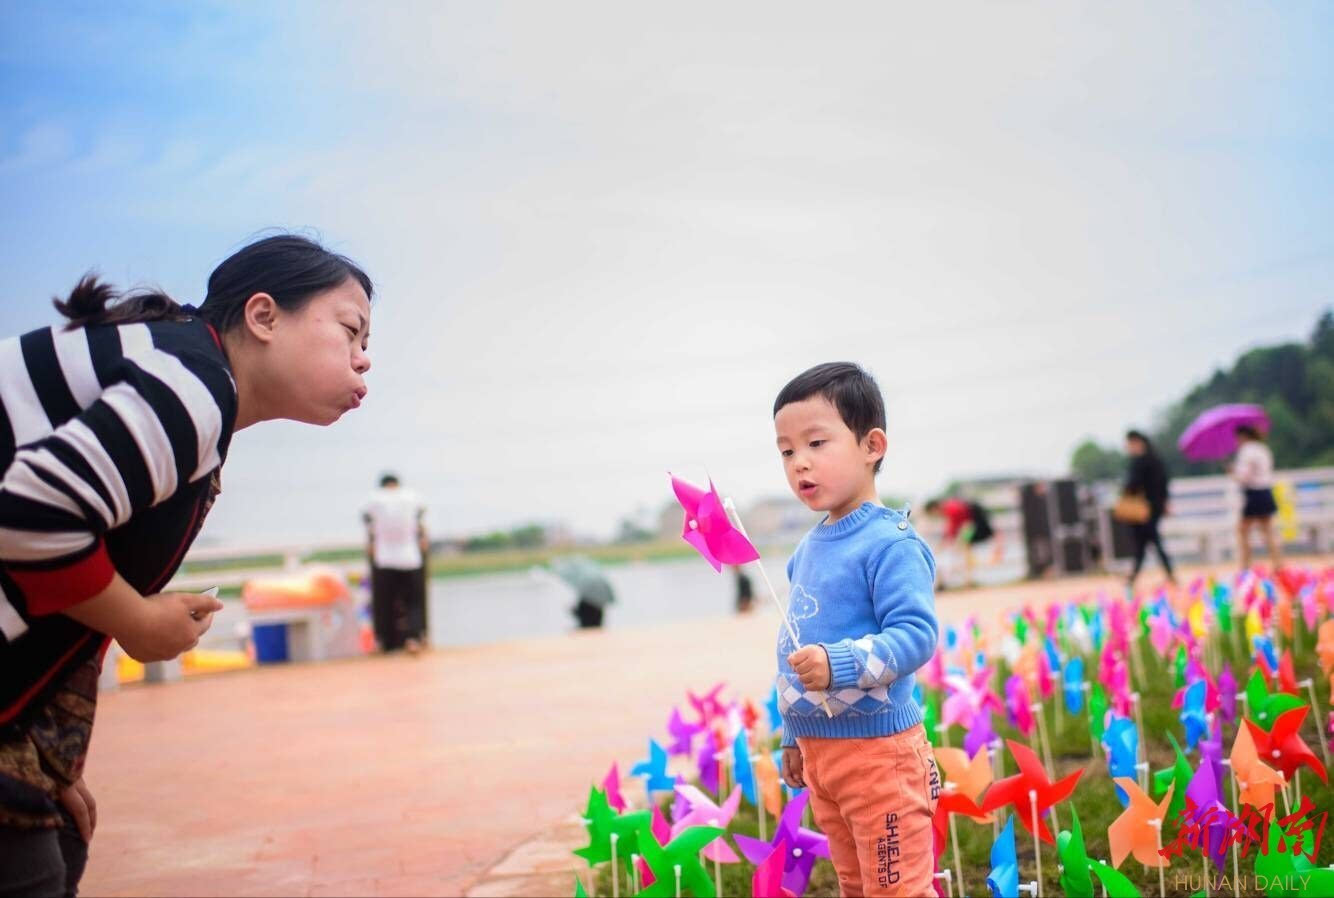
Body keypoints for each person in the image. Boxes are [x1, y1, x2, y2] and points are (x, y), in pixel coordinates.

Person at [0, 234, 373, 897]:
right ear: (262, 317)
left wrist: (47, 755)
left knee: (53, 846)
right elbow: (29, 513)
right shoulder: (192, 384)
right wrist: (141, 623)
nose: (363, 360)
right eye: (351, 330)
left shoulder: (184, 376)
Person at [770, 362, 940, 897]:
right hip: (823, 757)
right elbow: (794, 650)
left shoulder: (891, 544)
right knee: (855, 884)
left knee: (897, 888)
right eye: (786, 451)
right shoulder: (807, 551)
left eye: (817, 443)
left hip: (879, 758)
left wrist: (837, 663)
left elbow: (915, 635)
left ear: (872, 445)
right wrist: (795, 736)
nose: (800, 463)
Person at [362, 473, 429, 654]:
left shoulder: (374, 499)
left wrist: (371, 544)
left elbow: (368, 522)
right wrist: (422, 539)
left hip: (384, 557)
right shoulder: (411, 496)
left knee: (384, 603)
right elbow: (420, 520)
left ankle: (385, 642)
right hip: (411, 557)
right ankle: (414, 638)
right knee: (413, 602)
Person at [1122, 429, 1176, 590]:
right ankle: (1136, 577)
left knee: (1148, 542)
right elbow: (1164, 483)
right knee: (1146, 543)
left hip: (1143, 509)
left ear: (1136, 442)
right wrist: (1165, 502)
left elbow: (1132, 485)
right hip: (1155, 507)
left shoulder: (1139, 462)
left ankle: (1135, 578)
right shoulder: (1155, 460)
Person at [1231, 424, 1282, 572]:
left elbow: (1244, 477)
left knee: (1243, 531)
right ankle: (1277, 563)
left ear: (1243, 436)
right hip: (1266, 491)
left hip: (1254, 493)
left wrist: (1233, 472)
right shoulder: (1262, 448)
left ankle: (1245, 565)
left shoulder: (1246, 451)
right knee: (1268, 531)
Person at [922, 495, 996, 588]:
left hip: (972, 525)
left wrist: (948, 543)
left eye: (932, 513)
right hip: (971, 525)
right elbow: (954, 528)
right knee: (964, 551)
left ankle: (967, 579)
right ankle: (968, 579)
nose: (935, 516)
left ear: (934, 508)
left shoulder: (950, 508)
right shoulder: (950, 506)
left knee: (963, 550)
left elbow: (955, 527)